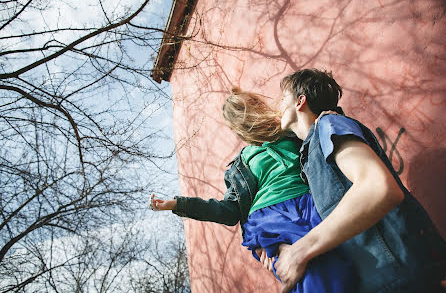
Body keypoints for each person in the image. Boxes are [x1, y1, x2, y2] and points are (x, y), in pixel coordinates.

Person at [258, 68, 446, 293]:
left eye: (282, 99)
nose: (278, 106)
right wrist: (282, 252)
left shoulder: (329, 125)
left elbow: (378, 188)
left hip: (404, 278)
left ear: (300, 102)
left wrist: (300, 252)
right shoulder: (308, 156)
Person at [149, 87, 355, 293]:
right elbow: (228, 211)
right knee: (315, 277)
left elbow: (322, 134)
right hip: (270, 216)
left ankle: (285, 255)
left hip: (310, 204)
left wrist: (330, 115)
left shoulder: (292, 131)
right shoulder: (242, 162)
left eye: (252, 105)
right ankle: (280, 250)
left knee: (338, 265)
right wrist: (179, 204)